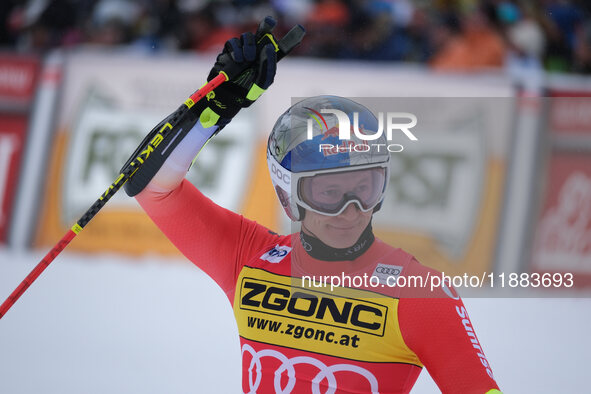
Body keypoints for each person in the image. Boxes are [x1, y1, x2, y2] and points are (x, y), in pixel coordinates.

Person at [128, 20, 502, 394]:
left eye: (364, 188)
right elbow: (151, 185)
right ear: (289, 195)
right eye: (328, 192)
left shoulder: (419, 292)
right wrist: (211, 109)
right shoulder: (248, 257)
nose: (350, 209)